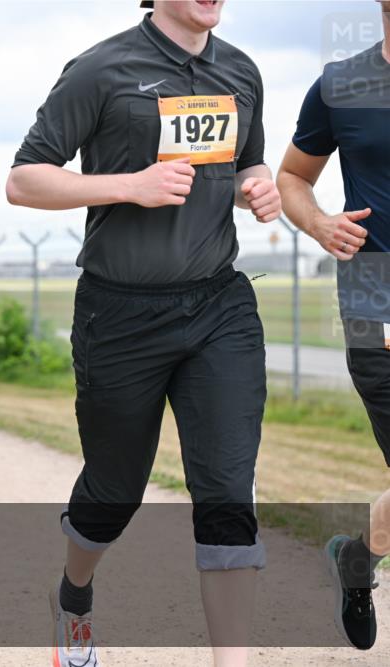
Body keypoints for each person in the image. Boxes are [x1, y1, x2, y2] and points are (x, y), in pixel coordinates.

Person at [6, 2, 283, 665]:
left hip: (219, 306)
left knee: (225, 491)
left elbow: (247, 162)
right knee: (114, 487)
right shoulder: (101, 69)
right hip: (120, 313)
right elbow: (23, 179)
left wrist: (258, 183)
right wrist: (130, 185)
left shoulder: (241, 72)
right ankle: (74, 595)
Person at [276, 2, 390, 650]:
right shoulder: (341, 84)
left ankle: (356, 558)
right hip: (377, 303)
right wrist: (318, 222)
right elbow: (294, 176)